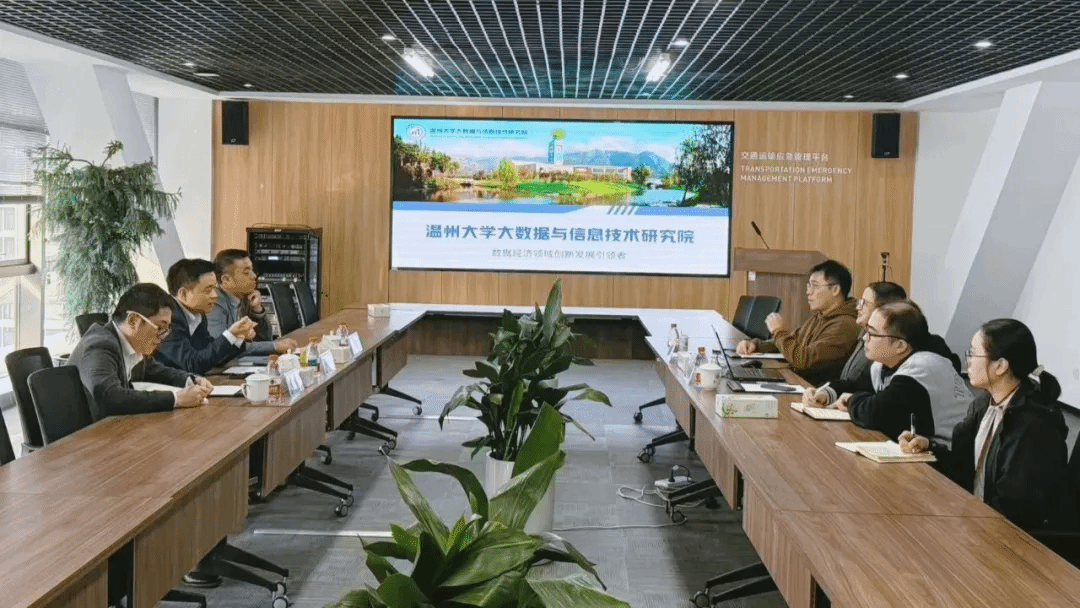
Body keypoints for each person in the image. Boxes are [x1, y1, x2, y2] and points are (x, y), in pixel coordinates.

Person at [899, 319, 1069, 530]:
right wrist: (928, 446)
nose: (968, 361)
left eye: (973, 354)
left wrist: (961, 520)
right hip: (977, 520)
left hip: (1005, 534)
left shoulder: (1034, 424)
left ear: (1000, 366)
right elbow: (962, 464)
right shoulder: (984, 403)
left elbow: (1015, 506)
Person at [803, 300, 971, 445]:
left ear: (900, 346)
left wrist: (851, 400)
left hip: (949, 457)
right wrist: (825, 393)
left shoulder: (922, 368)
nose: (864, 338)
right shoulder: (884, 364)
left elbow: (875, 414)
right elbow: (854, 385)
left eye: (872, 333)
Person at [67, 283, 213, 420]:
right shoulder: (100, 345)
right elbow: (110, 397)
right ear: (133, 321)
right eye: (160, 327)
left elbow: (155, 371)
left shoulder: (130, 344)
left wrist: (191, 380)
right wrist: (176, 399)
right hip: (86, 433)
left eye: (167, 329)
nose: (163, 336)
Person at [735, 259, 859, 385]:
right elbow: (791, 342)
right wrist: (756, 345)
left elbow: (804, 360)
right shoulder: (821, 316)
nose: (808, 292)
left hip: (812, 390)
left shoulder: (845, 325)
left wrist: (778, 331)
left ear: (835, 290)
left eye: (815, 286)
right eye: (808, 286)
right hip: (798, 381)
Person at [155, 258, 258, 374]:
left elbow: (211, 357)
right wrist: (230, 334)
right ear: (183, 294)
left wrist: (238, 336)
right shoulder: (167, 318)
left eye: (214, 288)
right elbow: (192, 364)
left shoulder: (198, 314)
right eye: (208, 290)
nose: (215, 295)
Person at [207, 249, 296, 356]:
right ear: (226, 280)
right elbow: (223, 348)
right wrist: (274, 346)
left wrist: (257, 310)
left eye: (252, 270)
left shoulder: (243, 298)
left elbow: (265, 338)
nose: (254, 276)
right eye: (246, 272)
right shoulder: (214, 303)